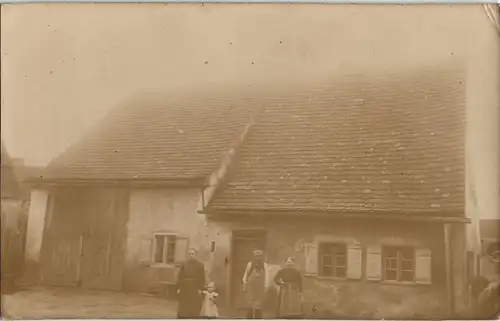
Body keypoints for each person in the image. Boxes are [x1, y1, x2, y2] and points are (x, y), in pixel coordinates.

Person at [176, 248, 206, 319]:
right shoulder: (184, 264)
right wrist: (179, 287)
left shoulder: (200, 265)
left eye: (192, 254)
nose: (191, 255)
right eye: (189, 254)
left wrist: (200, 288)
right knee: (184, 304)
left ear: (196, 255)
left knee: (194, 304)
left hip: (195, 287)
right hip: (185, 287)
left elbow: (202, 278)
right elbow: (180, 276)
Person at [242, 249, 270, 319]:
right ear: (253, 257)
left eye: (259, 256)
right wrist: (244, 284)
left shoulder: (264, 265)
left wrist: (266, 286)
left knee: (258, 301)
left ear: (261, 257)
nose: (258, 258)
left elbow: (267, 275)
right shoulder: (250, 264)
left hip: (260, 285)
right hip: (251, 285)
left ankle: (258, 317)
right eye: (256, 256)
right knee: (251, 301)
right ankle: (250, 317)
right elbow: (246, 274)